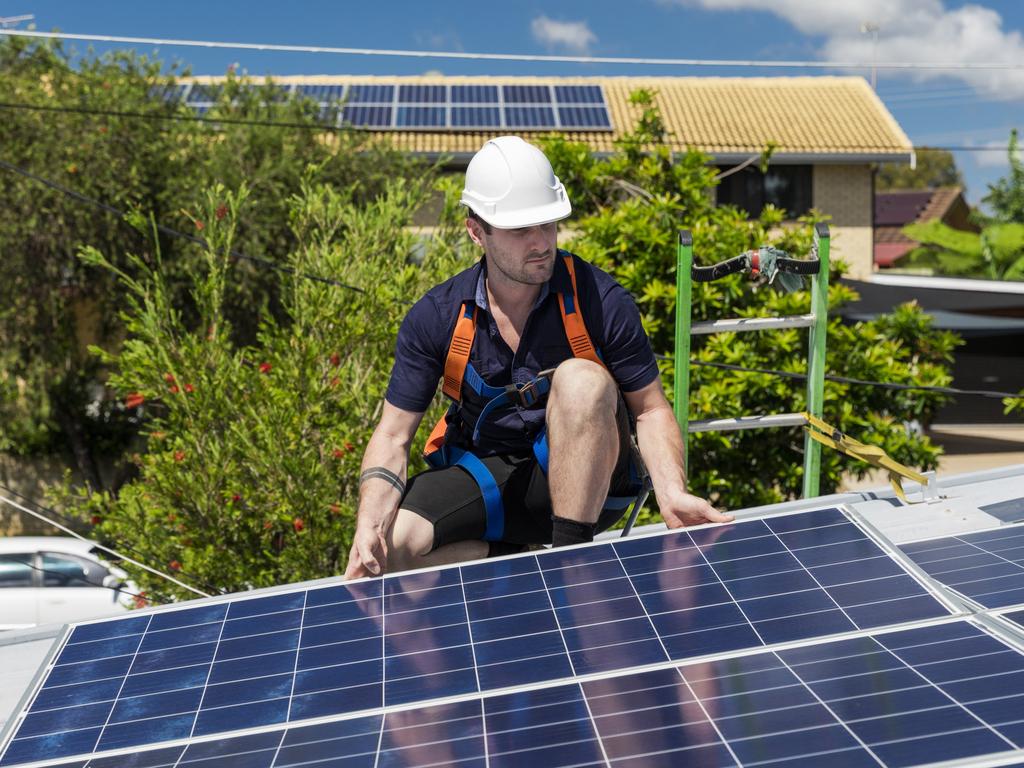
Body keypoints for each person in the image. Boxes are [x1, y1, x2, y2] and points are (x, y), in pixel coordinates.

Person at [344, 136, 730, 579]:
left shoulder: (599, 300)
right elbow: (393, 436)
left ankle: (571, 567)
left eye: (547, 224)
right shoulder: (438, 316)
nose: (541, 242)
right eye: (519, 230)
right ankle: (520, 566)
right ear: (476, 231)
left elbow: (651, 409)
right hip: (494, 474)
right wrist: (369, 524)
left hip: (595, 481)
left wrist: (672, 492)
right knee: (391, 549)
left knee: (582, 380)